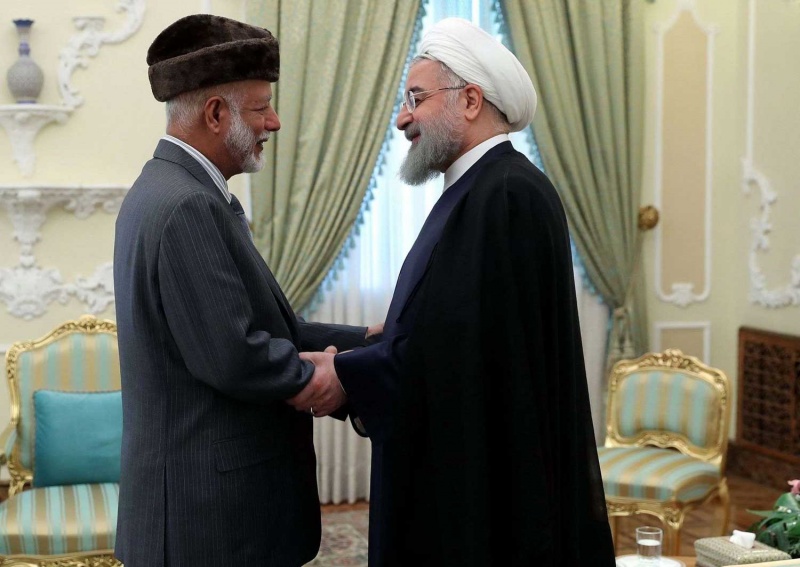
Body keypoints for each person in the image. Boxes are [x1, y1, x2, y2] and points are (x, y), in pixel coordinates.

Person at [298, 17, 616, 567]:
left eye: (415, 99)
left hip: (485, 491)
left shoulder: (506, 193)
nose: (402, 118)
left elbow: (465, 359)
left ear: (470, 100)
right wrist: (367, 349)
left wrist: (345, 374)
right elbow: (448, 328)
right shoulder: (477, 188)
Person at [114, 14, 372, 567]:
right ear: (215, 113)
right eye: (261, 108)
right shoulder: (187, 204)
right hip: (210, 521)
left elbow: (261, 326)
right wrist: (336, 380)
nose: (273, 122)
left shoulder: (174, 188)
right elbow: (233, 355)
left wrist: (365, 341)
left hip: (200, 510)